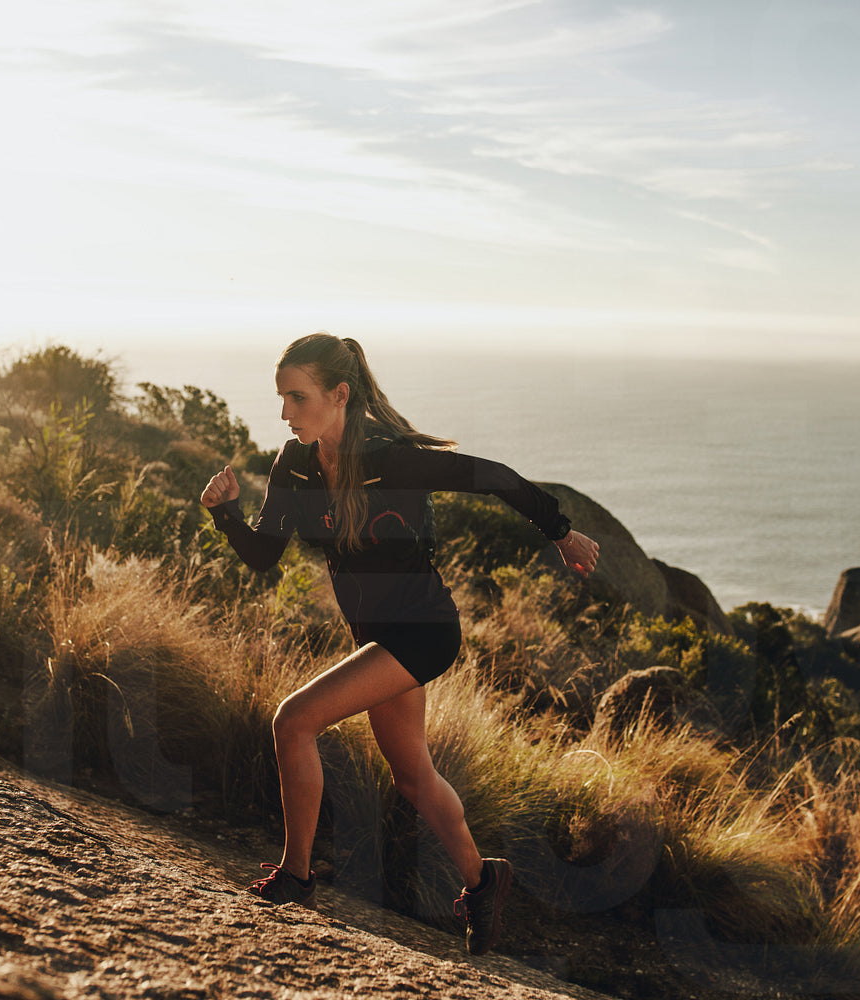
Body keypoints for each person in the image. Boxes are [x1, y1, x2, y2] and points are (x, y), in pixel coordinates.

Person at [199, 333, 599, 957]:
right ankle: (484, 881)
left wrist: (561, 532)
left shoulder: (394, 460)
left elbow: (495, 478)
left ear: (340, 394)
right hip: (375, 638)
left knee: (294, 721)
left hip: (423, 631)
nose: (284, 412)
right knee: (412, 775)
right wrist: (225, 513)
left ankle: (296, 878)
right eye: (281, 398)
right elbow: (263, 554)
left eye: (297, 398)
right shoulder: (294, 465)